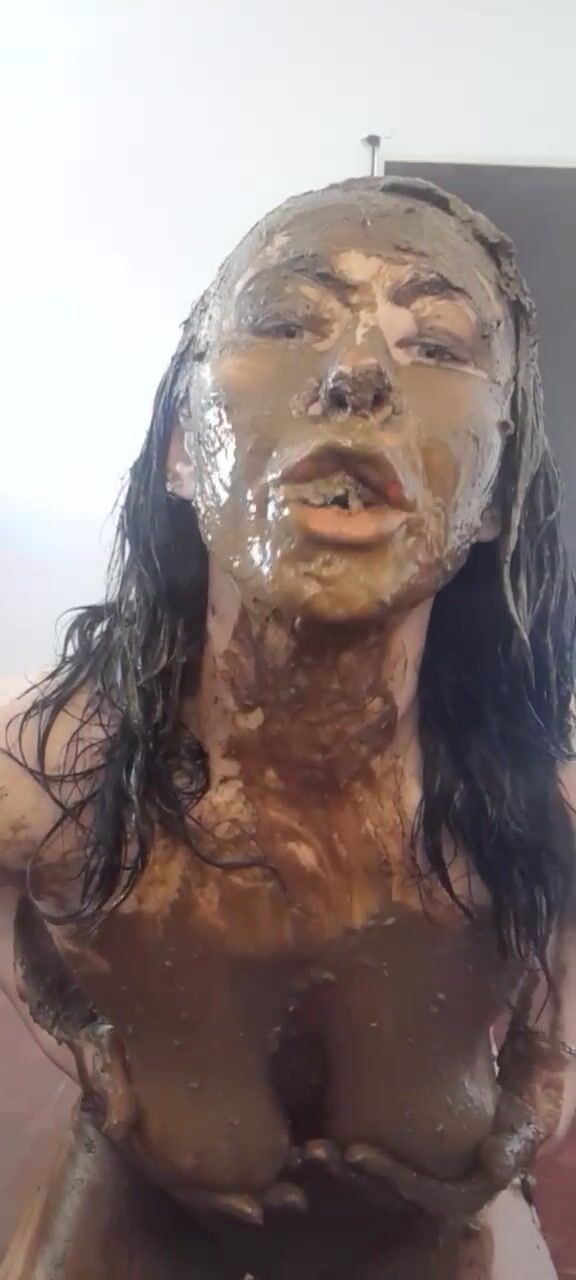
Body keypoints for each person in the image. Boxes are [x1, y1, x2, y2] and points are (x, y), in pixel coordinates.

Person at [1, 176, 575, 1279]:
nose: (357, 372)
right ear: (181, 446)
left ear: (500, 488)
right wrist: (82, 1040)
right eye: (284, 322)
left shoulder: (540, 785)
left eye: (437, 345)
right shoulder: (52, 768)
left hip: (432, 1239)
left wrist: (549, 1065)